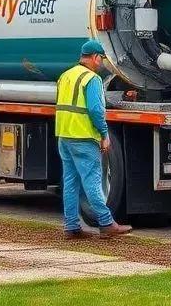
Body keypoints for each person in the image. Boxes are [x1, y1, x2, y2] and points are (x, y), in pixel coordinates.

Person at [55, 40, 132, 239]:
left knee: (70, 183)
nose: (101, 64)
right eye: (101, 59)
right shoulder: (92, 79)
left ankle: (71, 226)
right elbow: (96, 110)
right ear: (95, 57)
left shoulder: (65, 76)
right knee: (92, 181)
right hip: (84, 136)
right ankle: (107, 223)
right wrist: (104, 134)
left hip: (64, 136)